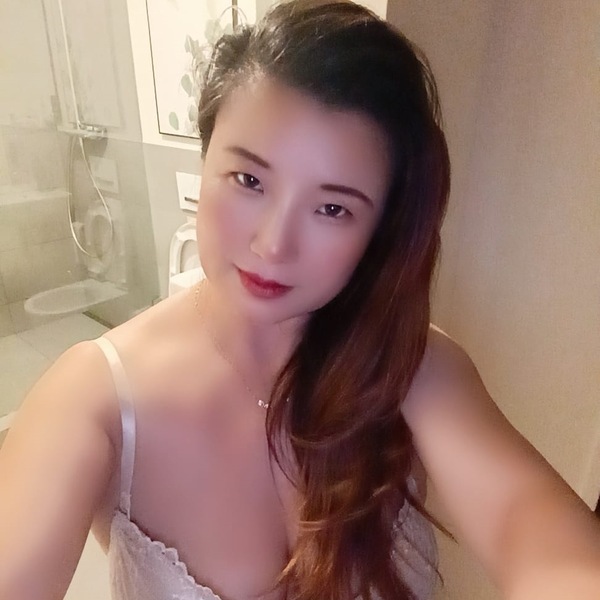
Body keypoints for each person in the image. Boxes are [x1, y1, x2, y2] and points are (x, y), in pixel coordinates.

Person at [1, 1, 599, 599]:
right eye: (249, 181)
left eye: (332, 208)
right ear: (205, 159)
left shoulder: (411, 366)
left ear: (381, 227)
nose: (273, 245)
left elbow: (531, 526)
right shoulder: (96, 397)